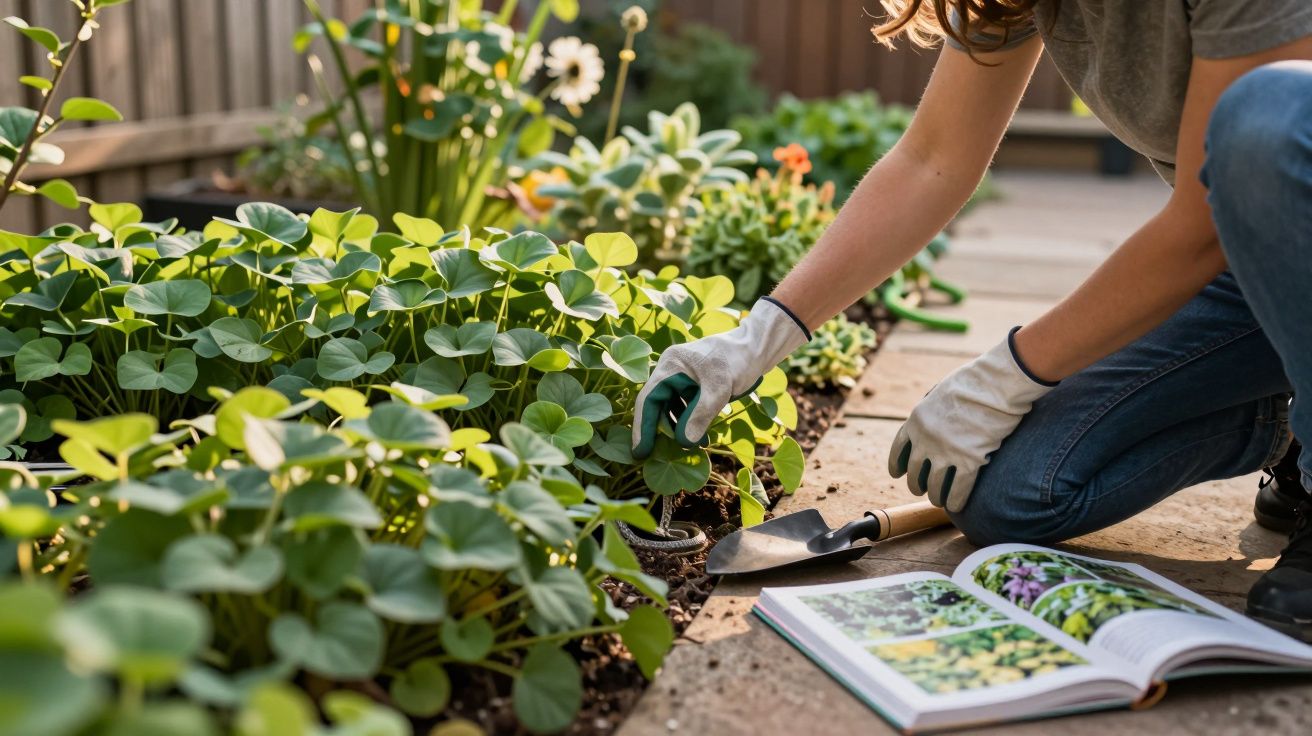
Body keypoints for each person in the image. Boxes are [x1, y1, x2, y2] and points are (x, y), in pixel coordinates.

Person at [630, 0, 1312, 642]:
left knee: (1264, 116)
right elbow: (933, 158)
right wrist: (759, 337)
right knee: (1013, 495)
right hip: (1262, 261)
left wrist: (1010, 371)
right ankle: (1286, 430)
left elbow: (1198, 225)